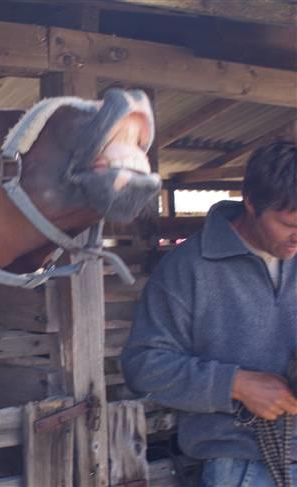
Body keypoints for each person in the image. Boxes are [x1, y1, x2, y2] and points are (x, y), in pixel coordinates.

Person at [121, 141, 297, 486]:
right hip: (241, 464)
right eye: (287, 223)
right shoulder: (188, 268)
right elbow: (143, 365)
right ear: (250, 203)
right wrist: (235, 384)